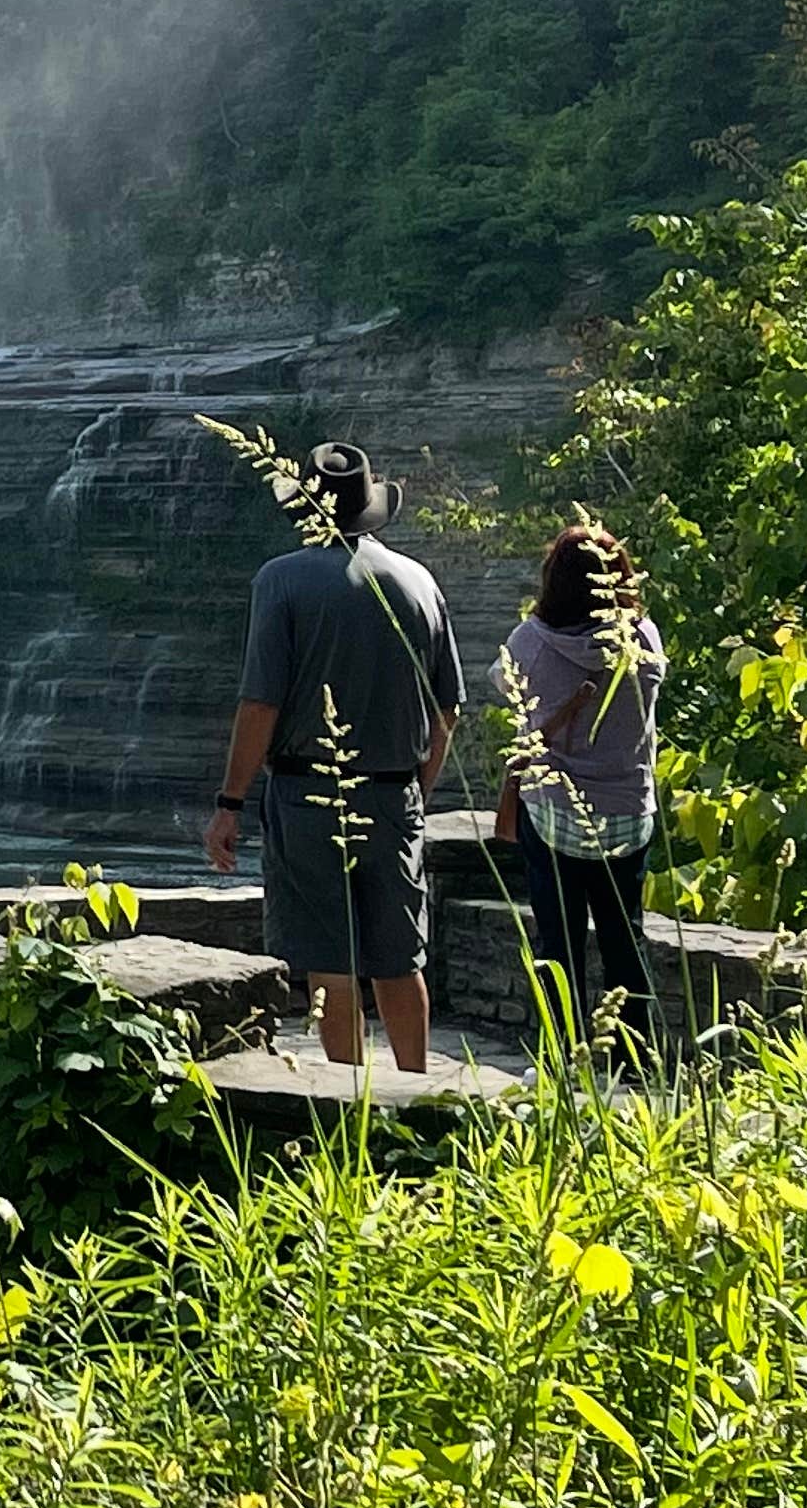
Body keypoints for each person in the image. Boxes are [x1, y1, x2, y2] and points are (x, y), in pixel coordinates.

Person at [202, 440, 462, 1071]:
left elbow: (260, 704)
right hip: (394, 793)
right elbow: (448, 709)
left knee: (333, 963)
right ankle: (418, 1096)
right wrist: (414, 792)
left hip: (308, 796)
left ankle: (350, 1103)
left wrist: (230, 803)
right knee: (400, 962)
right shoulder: (418, 582)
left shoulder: (281, 581)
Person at [497, 523, 665, 1039]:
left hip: (556, 819)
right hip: (626, 815)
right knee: (624, 940)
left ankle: (563, 1055)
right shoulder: (642, 639)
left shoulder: (529, 643)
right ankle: (636, 1055)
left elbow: (513, 702)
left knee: (558, 946)